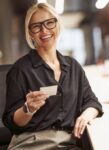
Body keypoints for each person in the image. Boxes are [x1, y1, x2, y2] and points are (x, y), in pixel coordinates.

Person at [2, 2, 103, 150]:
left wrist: (86, 116)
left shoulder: (73, 66)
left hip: (67, 143)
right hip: (31, 144)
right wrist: (27, 109)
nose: (44, 30)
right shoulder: (20, 70)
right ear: (30, 33)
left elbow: (92, 102)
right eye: (36, 26)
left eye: (50, 23)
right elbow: (12, 122)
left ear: (58, 25)